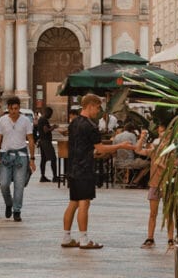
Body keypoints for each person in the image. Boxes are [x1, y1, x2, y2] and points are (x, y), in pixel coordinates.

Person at [61, 93, 136, 250]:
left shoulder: (73, 124)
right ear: (89, 106)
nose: (98, 111)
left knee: (73, 202)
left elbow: (81, 146)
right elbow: (100, 148)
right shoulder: (90, 126)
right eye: (97, 107)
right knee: (84, 203)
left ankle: (66, 237)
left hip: (73, 167)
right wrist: (120, 146)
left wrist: (93, 152)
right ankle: (83, 239)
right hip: (85, 168)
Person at [0, 96, 35, 222]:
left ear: (19, 108)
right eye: (11, 109)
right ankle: (9, 203)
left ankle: (17, 210)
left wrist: (32, 159)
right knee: (4, 184)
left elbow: (31, 139)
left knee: (19, 185)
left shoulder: (26, 121)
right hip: (5, 155)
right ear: (8, 108)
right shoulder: (2, 120)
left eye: (15, 109)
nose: (13, 111)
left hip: (21, 156)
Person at [136, 123, 175, 250]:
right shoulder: (155, 150)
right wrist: (142, 137)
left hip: (167, 184)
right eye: (160, 134)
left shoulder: (173, 151)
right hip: (155, 184)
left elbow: (175, 169)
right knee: (153, 213)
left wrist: (163, 164)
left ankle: (171, 239)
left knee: (168, 213)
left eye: (165, 134)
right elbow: (138, 150)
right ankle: (150, 238)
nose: (162, 137)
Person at [35, 107, 58, 182]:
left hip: (42, 141)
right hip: (46, 142)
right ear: (47, 112)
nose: (51, 116)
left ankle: (42, 176)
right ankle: (55, 177)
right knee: (53, 158)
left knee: (43, 159)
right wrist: (53, 127)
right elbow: (46, 130)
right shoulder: (44, 120)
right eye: (50, 114)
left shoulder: (41, 119)